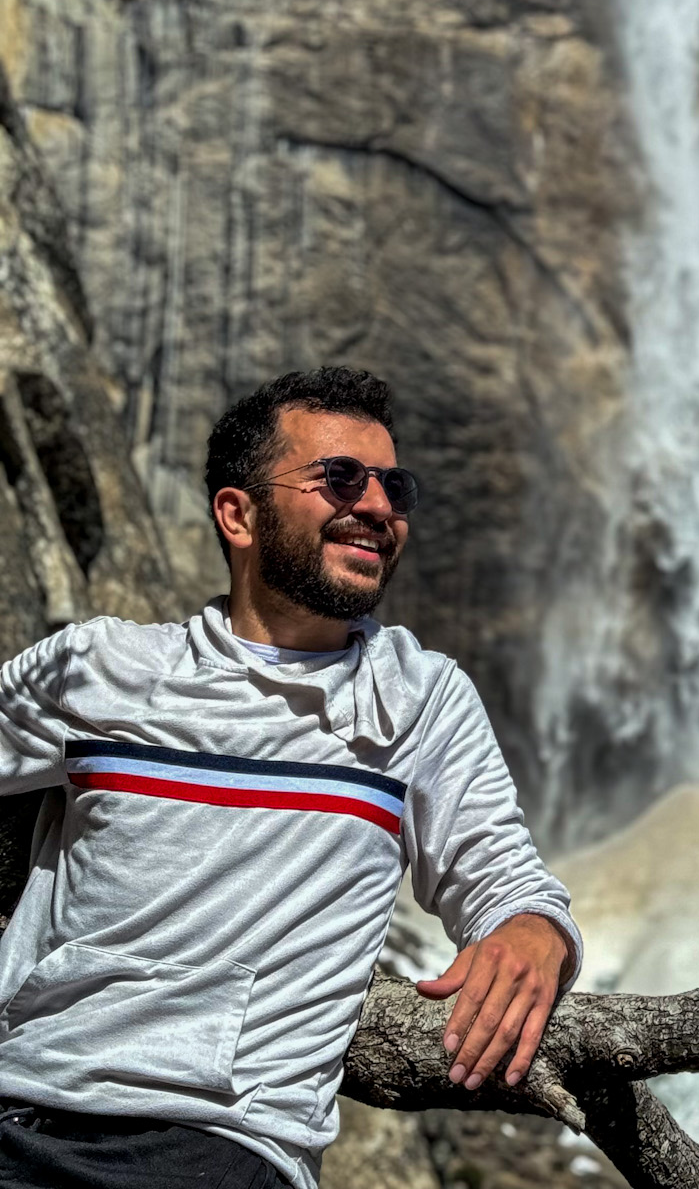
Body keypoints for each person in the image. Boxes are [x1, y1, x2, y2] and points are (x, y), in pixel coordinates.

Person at [0, 366, 579, 1188]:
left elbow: (509, 884)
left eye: (394, 486)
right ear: (238, 514)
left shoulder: (421, 699)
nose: (378, 507)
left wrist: (537, 932)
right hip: (17, 1109)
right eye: (340, 478)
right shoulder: (104, 667)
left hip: (223, 1148)